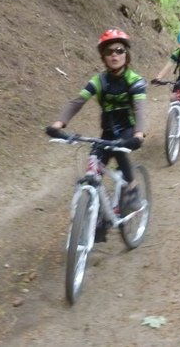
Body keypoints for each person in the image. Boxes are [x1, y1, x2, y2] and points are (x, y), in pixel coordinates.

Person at [49, 29, 147, 240]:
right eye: (109, 51)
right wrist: (58, 124)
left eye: (119, 50)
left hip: (128, 130)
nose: (114, 55)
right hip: (107, 131)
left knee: (119, 152)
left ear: (126, 54)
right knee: (93, 167)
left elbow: (139, 109)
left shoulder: (135, 80)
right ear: (103, 56)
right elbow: (78, 101)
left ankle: (133, 190)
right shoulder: (99, 81)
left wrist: (138, 134)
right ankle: (98, 215)